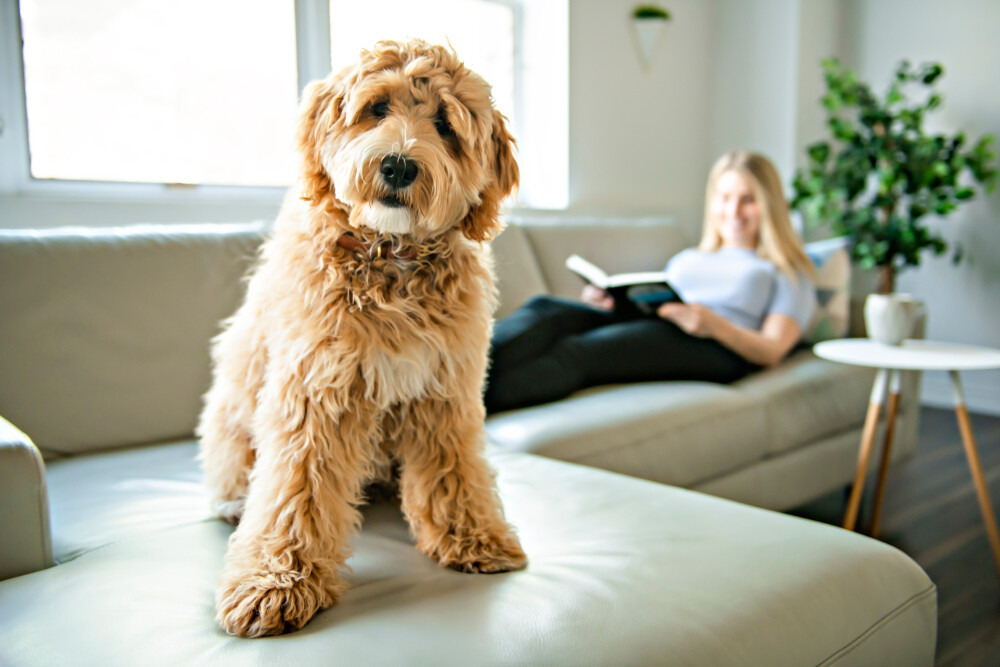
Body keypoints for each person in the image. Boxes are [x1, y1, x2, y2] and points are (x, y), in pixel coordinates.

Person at [484, 151, 817, 414]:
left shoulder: (786, 269)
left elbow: (773, 350)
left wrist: (713, 325)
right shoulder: (692, 258)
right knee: (548, 310)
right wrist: (619, 302)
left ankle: (458, 409)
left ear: (769, 205)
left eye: (748, 199)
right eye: (724, 197)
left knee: (578, 353)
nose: (733, 210)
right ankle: (449, 371)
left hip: (718, 347)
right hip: (662, 324)